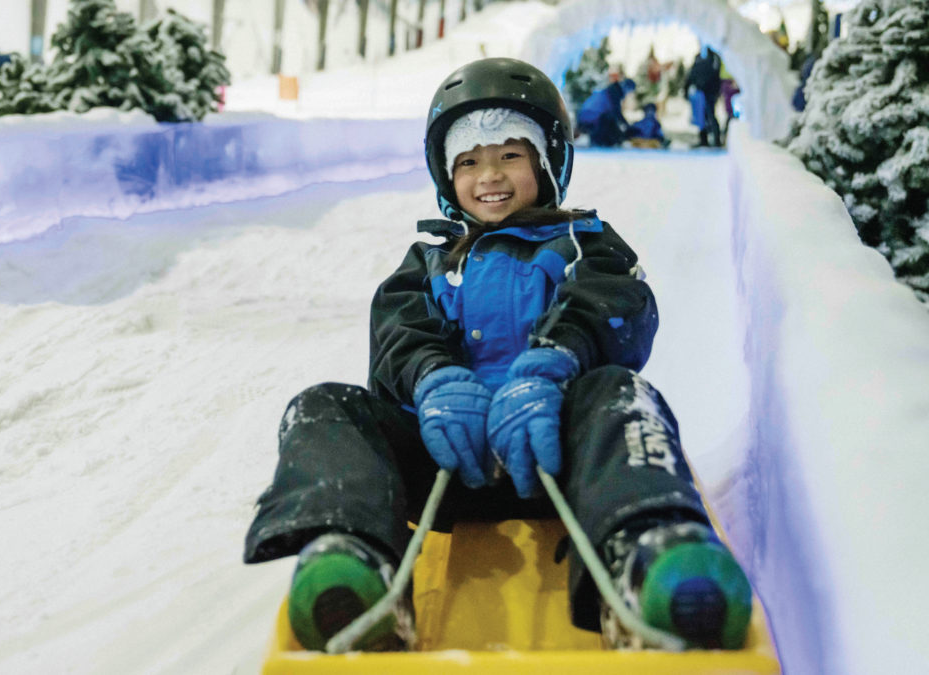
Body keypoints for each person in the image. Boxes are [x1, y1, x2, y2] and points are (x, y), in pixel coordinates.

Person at [244, 57, 753, 653]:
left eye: (510, 154)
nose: (490, 175)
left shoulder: (583, 243)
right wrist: (432, 381)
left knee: (622, 393)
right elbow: (397, 333)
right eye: (469, 161)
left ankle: (646, 546)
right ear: (446, 176)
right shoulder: (431, 261)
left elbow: (620, 304)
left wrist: (555, 363)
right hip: (449, 457)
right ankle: (358, 559)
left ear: (546, 161)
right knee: (323, 407)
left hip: (560, 454)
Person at [576, 78, 636, 147]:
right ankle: (599, 141)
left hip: (583, 117)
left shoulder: (609, 90)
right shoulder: (614, 93)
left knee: (609, 119)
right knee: (610, 120)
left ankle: (600, 140)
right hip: (592, 120)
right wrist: (628, 128)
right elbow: (617, 114)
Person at [685, 46, 723, 147]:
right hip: (699, 92)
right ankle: (703, 140)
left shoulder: (714, 57)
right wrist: (687, 88)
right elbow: (692, 74)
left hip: (710, 91)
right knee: (700, 116)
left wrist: (707, 86)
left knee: (710, 115)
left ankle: (716, 140)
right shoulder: (698, 57)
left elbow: (715, 74)